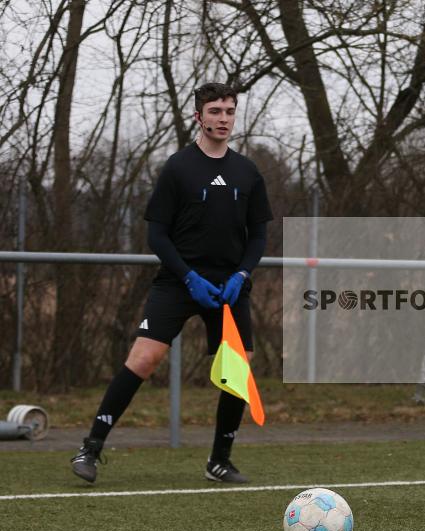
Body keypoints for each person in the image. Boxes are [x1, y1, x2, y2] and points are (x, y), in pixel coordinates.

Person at [70, 83, 273, 484]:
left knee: (237, 371)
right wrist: (188, 276)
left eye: (229, 111)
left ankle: (219, 461)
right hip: (180, 282)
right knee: (144, 359)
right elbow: (157, 236)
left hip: (230, 288)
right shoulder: (178, 167)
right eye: (215, 111)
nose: (223, 119)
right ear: (198, 116)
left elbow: (259, 236)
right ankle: (90, 448)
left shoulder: (247, 171)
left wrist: (242, 274)